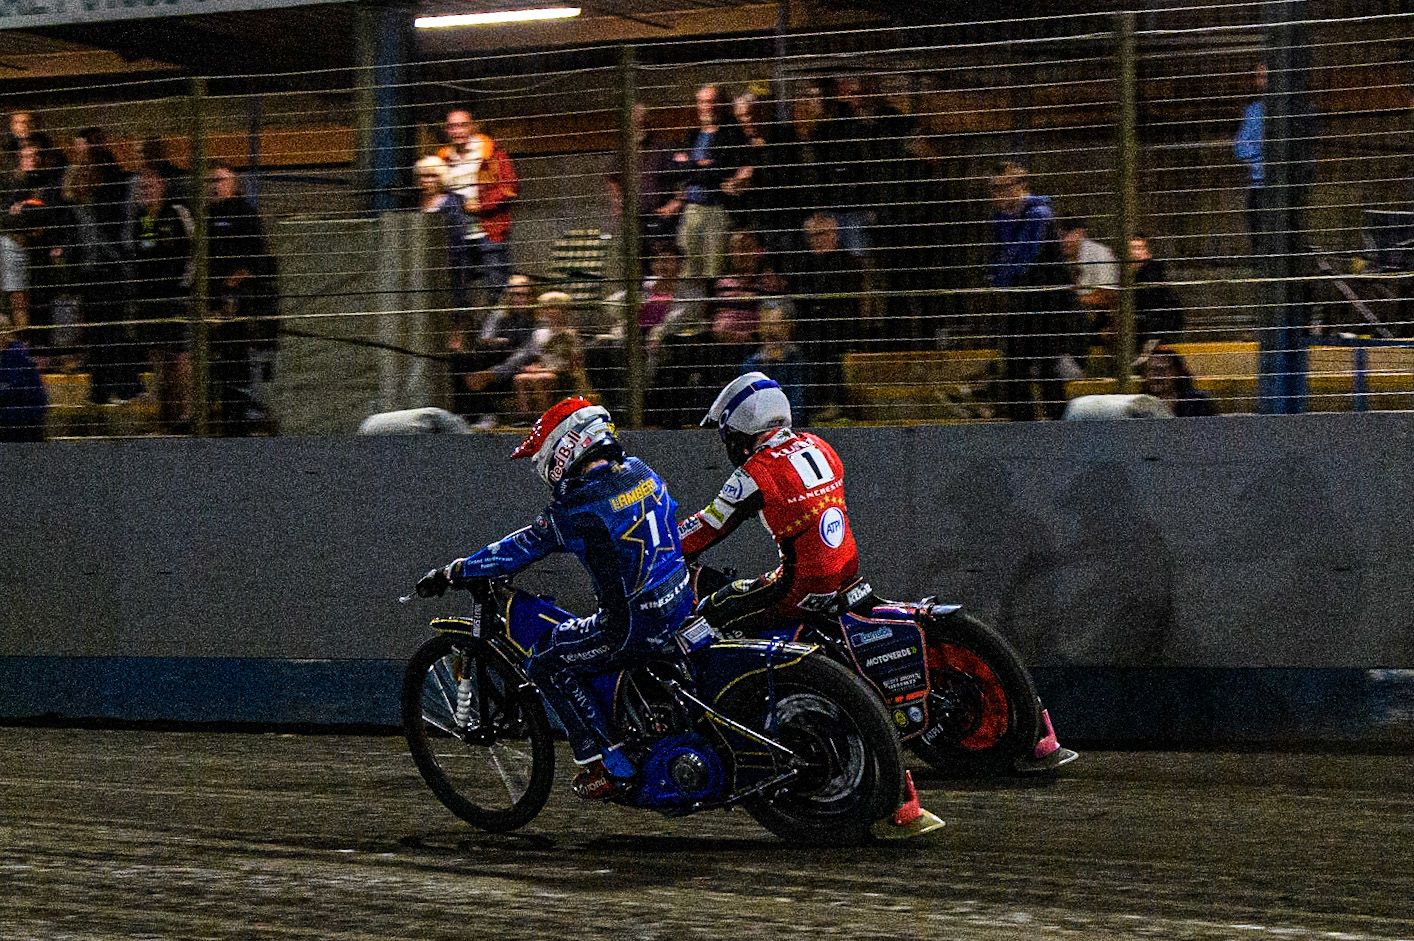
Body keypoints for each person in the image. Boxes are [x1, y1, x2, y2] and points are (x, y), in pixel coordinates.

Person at [415, 397, 693, 799]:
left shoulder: (577, 508)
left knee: (547, 661)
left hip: (632, 627)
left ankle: (609, 765)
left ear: (566, 449)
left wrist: (454, 571)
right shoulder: (641, 472)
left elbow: (517, 549)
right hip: (681, 603)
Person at [677, 372, 858, 636]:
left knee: (715, 609)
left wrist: (664, 541)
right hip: (846, 570)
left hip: (799, 586)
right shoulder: (819, 445)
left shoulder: (758, 472)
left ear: (741, 427)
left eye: (729, 437)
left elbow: (707, 526)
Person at [987, 161, 1075, 421]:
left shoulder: (1039, 214)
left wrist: (1001, 278)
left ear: (1021, 186)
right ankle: (1022, 423)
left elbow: (1024, 257)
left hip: (1047, 299)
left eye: (1004, 187)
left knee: (1045, 364)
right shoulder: (1001, 217)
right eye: (995, 189)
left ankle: (1057, 422)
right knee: (1015, 365)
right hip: (1022, 298)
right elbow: (996, 256)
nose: (998, 195)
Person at [207, 162, 278, 435]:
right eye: (212, 181)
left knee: (239, 362)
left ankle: (240, 418)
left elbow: (256, 260)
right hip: (215, 302)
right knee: (221, 365)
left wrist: (232, 286)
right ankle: (227, 419)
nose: (215, 186)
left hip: (239, 303)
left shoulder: (244, 214)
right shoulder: (208, 215)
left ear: (233, 184)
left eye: (221, 181)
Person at [128, 166, 193, 433]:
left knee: (180, 357)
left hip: (176, 298)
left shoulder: (176, 213)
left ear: (162, 186)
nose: (146, 191)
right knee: (158, 359)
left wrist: (185, 285)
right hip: (150, 302)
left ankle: (187, 413)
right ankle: (164, 418)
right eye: (142, 187)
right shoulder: (140, 220)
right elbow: (138, 259)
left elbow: (195, 250)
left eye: (151, 186)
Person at [437, 108, 519, 301]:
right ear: (447, 130)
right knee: (458, 291)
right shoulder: (443, 159)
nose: (458, 131)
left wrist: (481, 205)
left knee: (498, 288)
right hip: (458, 236)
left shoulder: (491, 153)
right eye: (452, 126)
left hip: (489, 231)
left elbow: (510, 186)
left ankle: (500, 330)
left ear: (473, 127)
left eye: (462, 125)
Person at [1234, 63, 1269, 260]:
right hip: (1260, 183)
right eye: (1259, 77)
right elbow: (1240, 147)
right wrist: (1260, 162)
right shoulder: (1254, 111)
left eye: (1265, 77)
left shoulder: (1296, 109)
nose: (1262, 82)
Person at [0, 311, 45, 441]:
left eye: (5, 329)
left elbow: (38, 399)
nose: (3, 335)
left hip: (20, 429)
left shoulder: (21, 358)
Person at [1142, 344, 1217, 418]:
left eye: (1162, 370)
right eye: (1151, 370)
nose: (1156, 376)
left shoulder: (1196, 402)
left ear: (1177, 372)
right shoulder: (1141, 403)